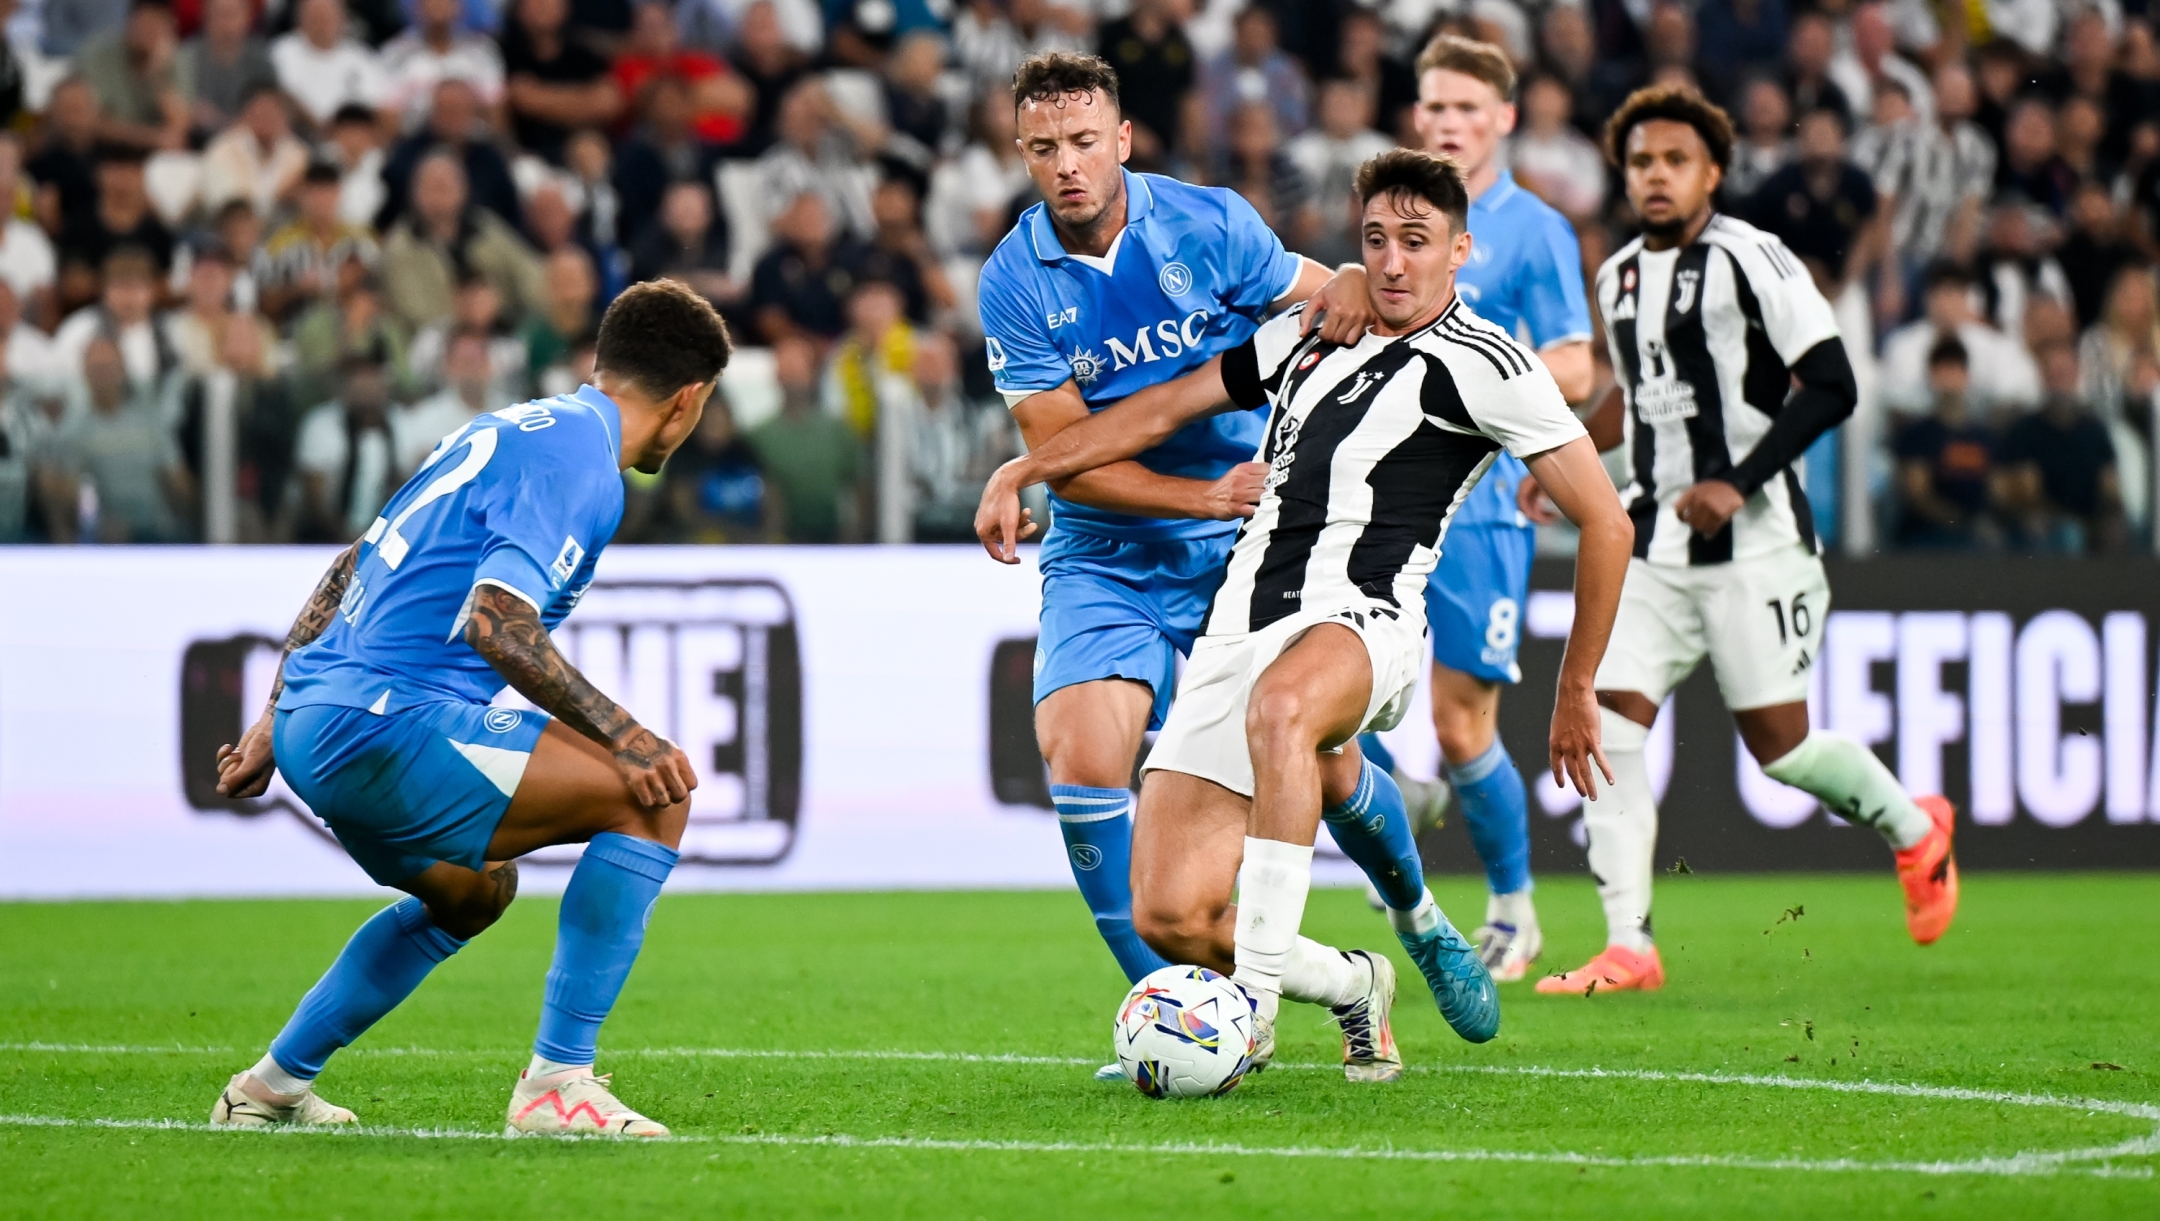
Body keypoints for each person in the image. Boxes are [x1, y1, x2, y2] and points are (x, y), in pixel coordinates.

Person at [976, 148, 1631, 1075]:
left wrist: (1577, 688)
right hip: (1238, 621)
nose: (1394, 262)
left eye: (1417, 242)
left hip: (1368, 614)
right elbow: (1166, 406)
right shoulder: (1313, 335)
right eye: (1376, 242)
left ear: (1460, 251)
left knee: (1287, 712)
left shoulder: (1491, 363)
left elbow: (1606, 521)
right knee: (1171, 912)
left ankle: (1254, 1009)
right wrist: (1026, 467)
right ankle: (1360, 978)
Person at [206, 280, 729, 1136]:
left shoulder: (507, 427)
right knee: (655, 792)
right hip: (386, 721)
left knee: (473, 895)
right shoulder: (581, 465)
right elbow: (496, 624)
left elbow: (352, 563)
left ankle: (267, 1090)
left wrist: (274, 712)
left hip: (320, 712)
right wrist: (626, 735)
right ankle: (557, 1085)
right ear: (689, 399)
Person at [975, 52, 1389, 1039]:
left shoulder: (1208, 223)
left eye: (1084, 142)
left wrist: (1352, 291)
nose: (1068, 164)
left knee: (1329, 764)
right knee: (1079, 758)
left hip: (1244, 544)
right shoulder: (1014, 283)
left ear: (1122, 141)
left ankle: (1412, 914)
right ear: (1023, 156)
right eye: (1045, 149)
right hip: (1109, 550)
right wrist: (1201, 497)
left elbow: (1324, 293)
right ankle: (1173, 1008)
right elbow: (1069, 460)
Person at [1538, 85, 1959, 997]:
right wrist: (1565, 460)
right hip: (1653, 544)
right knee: (1611, 721)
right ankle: (1629, 944)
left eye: (1675, 161)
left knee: (1783, 746)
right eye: (1642, 161)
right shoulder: (1616, 277)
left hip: (1759, 543)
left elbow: (1833, 381)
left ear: (1712, 173)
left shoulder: (1754, 258)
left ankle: (1915, 828)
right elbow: (1637, 401)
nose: (1657, 175)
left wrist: (1740, 479)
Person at [1403, 34, 1599, 983]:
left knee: (1459, 721)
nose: (1447, 123)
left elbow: (1577, 360)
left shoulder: (1534, 230)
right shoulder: (1398, 217)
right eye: (1434, 107)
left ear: (1505, 121)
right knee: (1314, 675)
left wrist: (1490, 386)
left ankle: (1514, 910)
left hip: (1479, 511)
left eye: (1466, 110)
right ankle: (1395, 798)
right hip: (1386, 497)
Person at [1892, 337, 1999, 549]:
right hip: (1929, 536)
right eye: (1942, 372)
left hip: (1979, 534)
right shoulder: (1917, 435)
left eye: (1955, 371)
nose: (1949, 381)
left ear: (1966, 376)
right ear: (1931, 377)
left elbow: (1997, 486)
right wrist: (1962, 522)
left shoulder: (1984, 436)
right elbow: (1918, 495)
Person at [270, 0, 390, 130]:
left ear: (343, 19)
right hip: (297, 132)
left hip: (350, 138)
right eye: (314, 16)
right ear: (300, 19)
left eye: (327, 16)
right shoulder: (281, 53)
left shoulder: (362, 58)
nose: (321, 23)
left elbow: (379, 106)